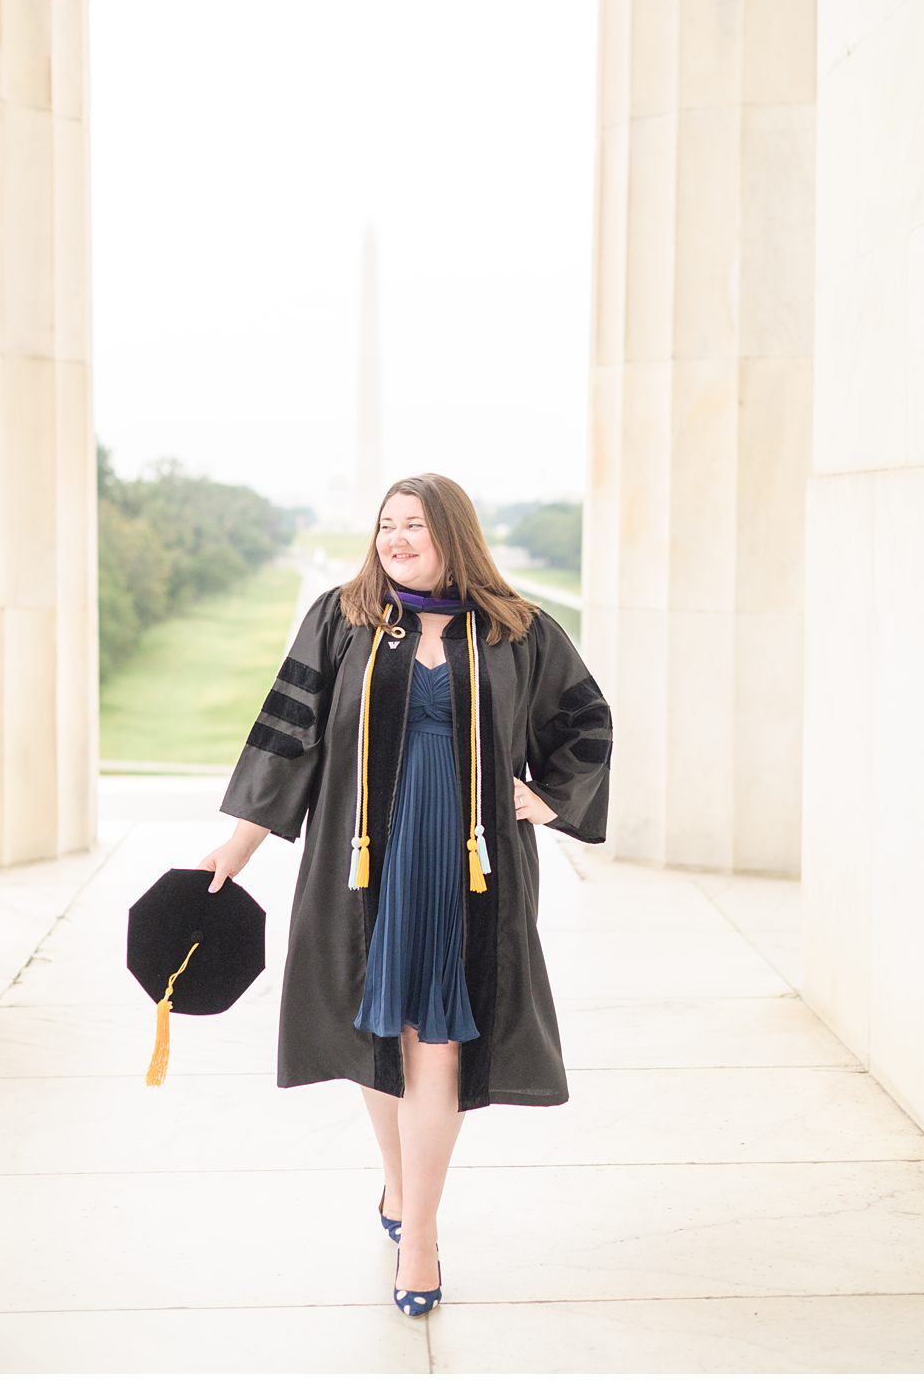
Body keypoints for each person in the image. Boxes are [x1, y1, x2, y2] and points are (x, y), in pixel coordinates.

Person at [200, 472, 613, 1318]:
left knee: (438, 1038)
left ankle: (418, 1229)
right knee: (377, 1027)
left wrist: (550, 796)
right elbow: (289, 740)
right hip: (364, 863)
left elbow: (587, 721)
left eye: (413, 524)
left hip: (469, 868)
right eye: (386, 524)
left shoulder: (515, 630)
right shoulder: (345, 618)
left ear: (452, 532)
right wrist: (235, 848)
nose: (394, 538)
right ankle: (398, 1185)